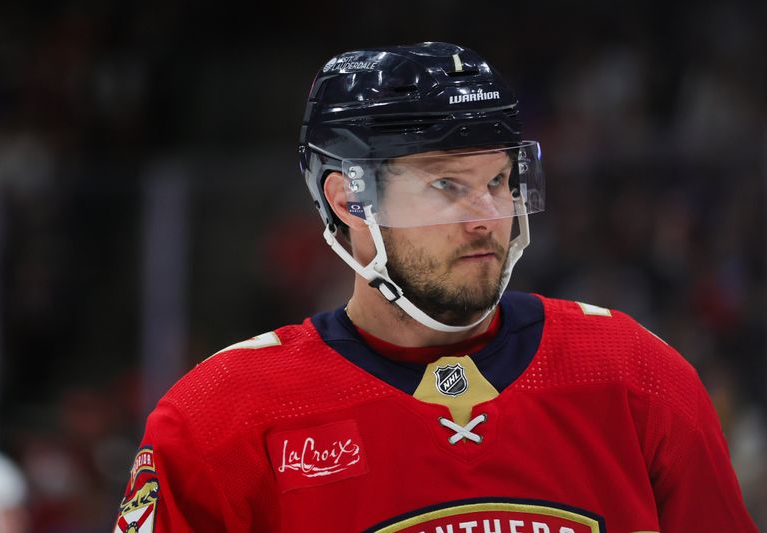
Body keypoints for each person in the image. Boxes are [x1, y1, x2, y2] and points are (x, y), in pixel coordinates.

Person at [113, 42, 757, 532]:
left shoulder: (633, 375)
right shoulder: (223, 420)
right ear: (348, 201)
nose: (485, 216)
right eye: (446, 185)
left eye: (498, 181)